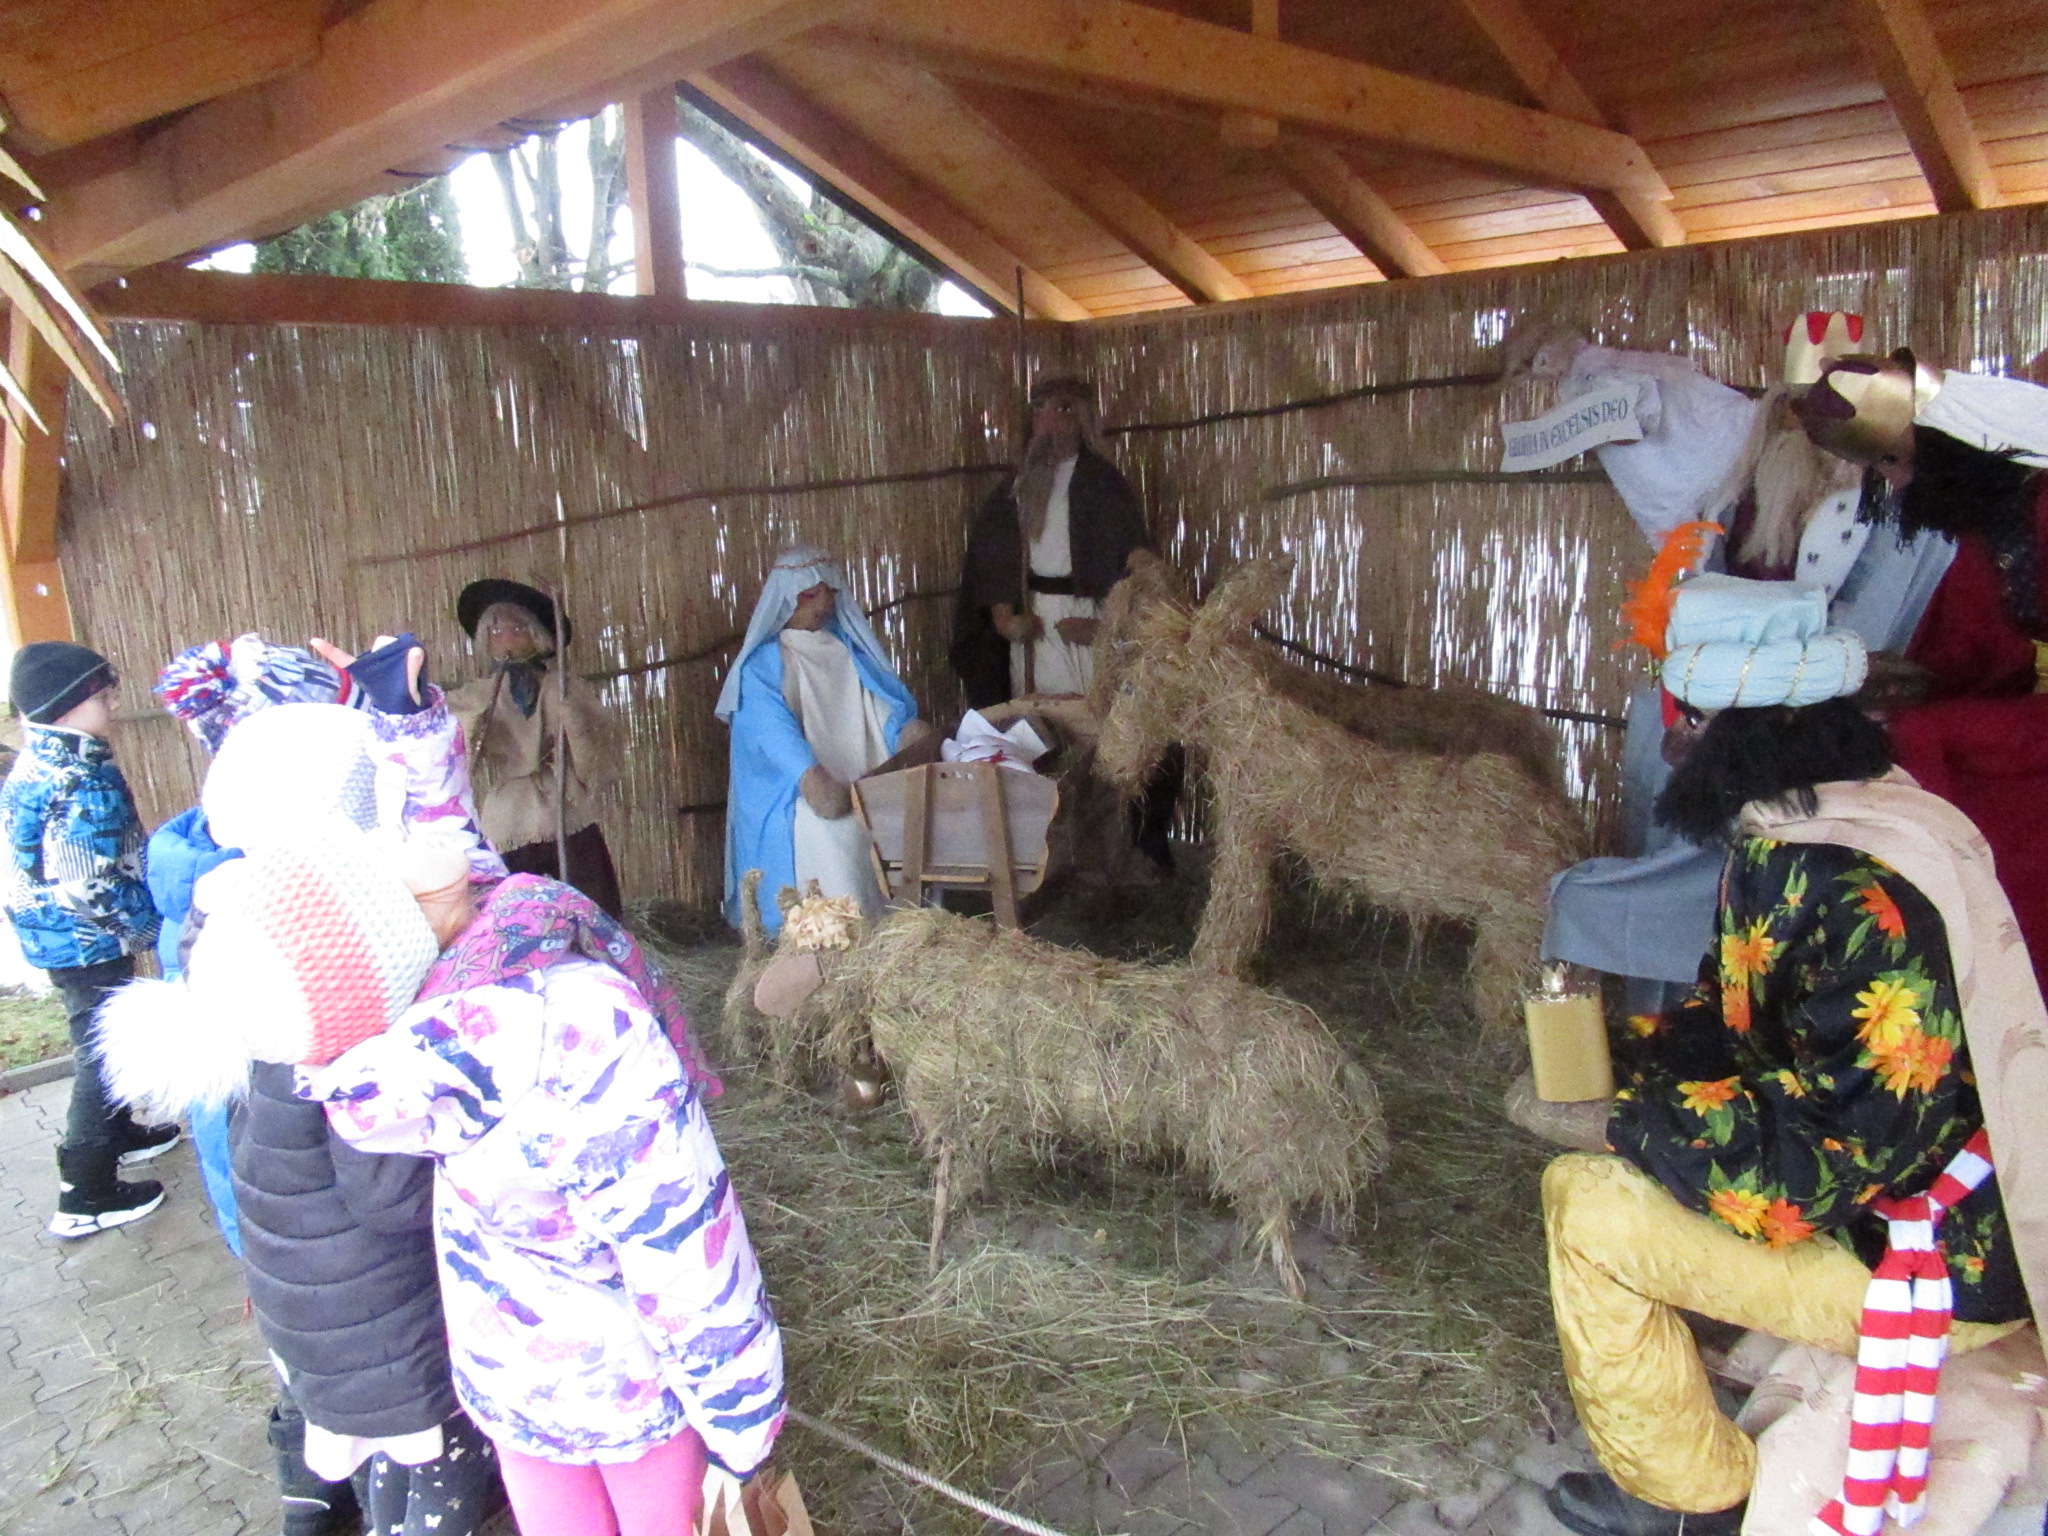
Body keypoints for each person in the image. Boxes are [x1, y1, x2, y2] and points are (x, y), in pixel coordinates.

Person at [1539, 574, 2047, 1536]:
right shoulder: (1853, 819)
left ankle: (1688, 1501)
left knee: (1585, 1208)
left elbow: (1809, 1177)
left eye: (1687, 719)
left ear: (1740, 729)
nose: (1672, 744)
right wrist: (1648, 1070)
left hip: (1938, 1256)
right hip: (1921, 1197)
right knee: (1656, 1157)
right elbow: (1734, 1007)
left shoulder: (1842, 880)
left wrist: (1630, 1125)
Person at [100, 653, 509, 1536]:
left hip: (301, 1295)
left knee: (372, 1471)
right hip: (389, 1328)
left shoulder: (241, 945)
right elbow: (388, 1192)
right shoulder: (338, 1011)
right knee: (435, 1481)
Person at [308, 864, 778, 1536]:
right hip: (632, 1388)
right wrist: (742, 1417)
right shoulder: (589, 1022)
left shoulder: (393, 1048)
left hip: (510, 1377)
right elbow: (677, 1238)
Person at [1, 641, 174, 1237]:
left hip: (57, 936)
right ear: (68, 703)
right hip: (87, 939)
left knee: (105, 1036)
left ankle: (119, 1131)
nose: (114, 704)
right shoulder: (81, 776)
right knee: (100, 1052)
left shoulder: (35, 762)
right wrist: (150, 926)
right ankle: (86, 1189)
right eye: (103, 695)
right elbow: (87, 884)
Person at [719, 545, 925, 936]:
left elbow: (881, 708)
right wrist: (814, 778)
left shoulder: (845, 650)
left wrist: (905, 735)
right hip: (793, 797)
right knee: (836, 830)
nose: (827, 602)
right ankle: (843, 934)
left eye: (830, 592)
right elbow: (776, 738)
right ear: (793, 598)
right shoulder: (761, 669)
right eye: (816, 593)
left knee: (911, 815)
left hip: (863, 781)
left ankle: (905, 930)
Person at [952, 374, 1152, 707]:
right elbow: (994, 557)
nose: (1048, 420)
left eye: (1063, 409)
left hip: (1086, 614)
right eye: (1039, 408)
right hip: (1034, 620)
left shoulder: (1105, 485)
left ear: (1081, 419)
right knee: (1036, 711)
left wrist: (1104, 627)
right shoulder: (1017, 488)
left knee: (1087, 709)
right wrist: (1005, 619)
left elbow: (1134, 567)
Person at [447, 578, 625, 919]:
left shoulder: (563, 687)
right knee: (509, 900)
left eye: (517, 629)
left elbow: (595, 736)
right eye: (495, 631)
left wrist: (569, 714)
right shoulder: (478, 694)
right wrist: (475, 722)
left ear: (538, 635)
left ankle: (597, 942)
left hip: (562, 802)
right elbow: (454, 731)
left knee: (592, 894)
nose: (506, 638)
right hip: (510, 811)